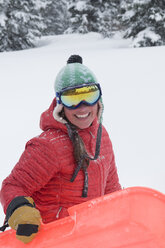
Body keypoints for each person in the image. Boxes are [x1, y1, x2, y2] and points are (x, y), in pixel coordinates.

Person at [0, 55, 121, 243]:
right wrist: (20, 209)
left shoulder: (101, 135)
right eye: (72, 99)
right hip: (54, 239)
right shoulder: (48, 145)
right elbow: (13, 186)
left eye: (88, 96)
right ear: (60, 103)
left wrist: (120, 214)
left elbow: (111, 186)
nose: (82, 107)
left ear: (99, 98)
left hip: (91, 236)